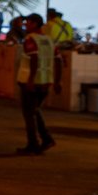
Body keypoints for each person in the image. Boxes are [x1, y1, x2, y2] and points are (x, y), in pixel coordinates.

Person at [16, 13, 59, 155]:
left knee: (29, 114)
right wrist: (58, 81)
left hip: (31, 83)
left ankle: (33, 144)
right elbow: (59, 60)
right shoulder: (49, 40)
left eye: (27, 22)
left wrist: (30, 80)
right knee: (35, 111)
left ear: (34, 24)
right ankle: (46, 139)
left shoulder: (31, 39)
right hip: (45, 82)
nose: (25, 24)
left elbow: (34, 58)